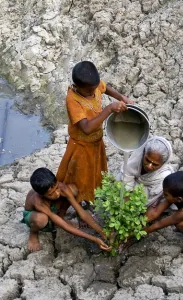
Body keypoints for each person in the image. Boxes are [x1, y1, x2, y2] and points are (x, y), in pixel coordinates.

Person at [56, 60, 133, 205]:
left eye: (95, 88)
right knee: (80, 178)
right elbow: (86, 128)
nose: (94, 92)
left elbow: (105, 88)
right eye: (90, 91)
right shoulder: (73, 99)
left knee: (95, 174)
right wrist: (109, 109)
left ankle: (92, 197)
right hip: (81, 146)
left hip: (96, 143)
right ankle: (79, 206)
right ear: (77, 87)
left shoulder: (93, 85)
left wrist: (122, 98)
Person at [22, 167, 110, 252]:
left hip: (52, 209)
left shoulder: (61, 188)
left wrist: (102, 232)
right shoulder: (38, 202)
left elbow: (81, 212)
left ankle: (61, 217)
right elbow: (65, 226)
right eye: (51, 194)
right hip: (34, 215)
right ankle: (33, 233)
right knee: (41, 219)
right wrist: (95, 239)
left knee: (73, 190)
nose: (57, 193)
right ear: (42, 195)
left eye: (56, 188)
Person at [120, 136, 175, 207]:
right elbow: (127, 174)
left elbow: (151, 199)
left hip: (144, 193)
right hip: (134, 187)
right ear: (143, 154)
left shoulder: (163, 176)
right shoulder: (137, 157)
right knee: (119, 179)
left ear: (163, 164)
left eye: (155, 164)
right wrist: (127, 194)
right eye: (147, 160)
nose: (149, 166)